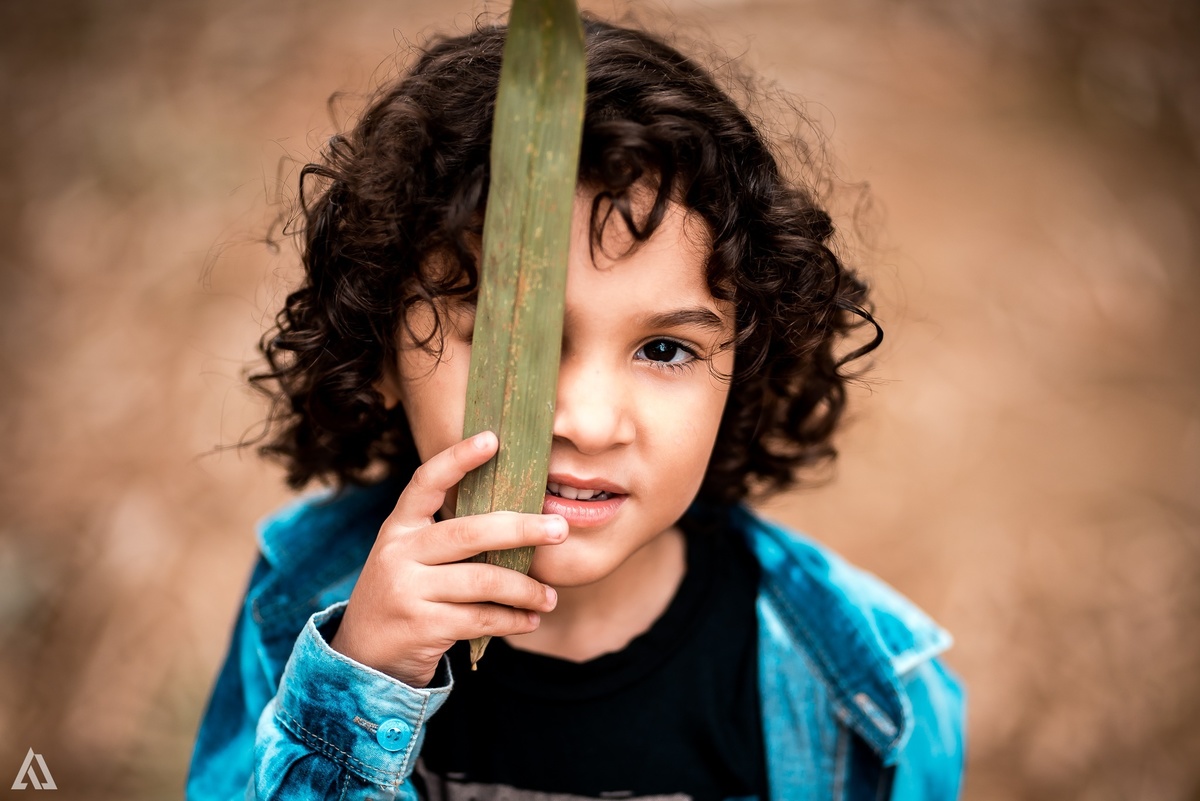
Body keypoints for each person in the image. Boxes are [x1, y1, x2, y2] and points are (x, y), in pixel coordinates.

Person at [188, 15, 965, 801]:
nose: (590, 424)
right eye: (515, 343)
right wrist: (360, 687)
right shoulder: (308, 607)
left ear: (742, 370)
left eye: (665, 349)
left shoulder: (869, 689)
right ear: (380, 351)